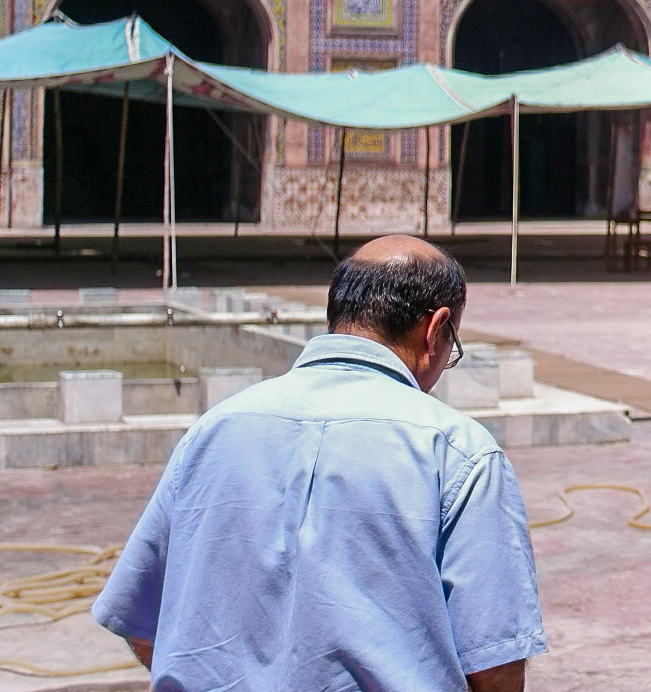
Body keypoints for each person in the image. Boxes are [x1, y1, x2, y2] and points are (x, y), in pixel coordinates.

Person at [93, 235, 546, 690]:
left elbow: (140, 619)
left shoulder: (216, 428)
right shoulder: (458, 451)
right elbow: (494, 666)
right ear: (436, 328)